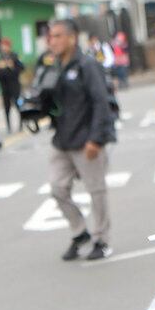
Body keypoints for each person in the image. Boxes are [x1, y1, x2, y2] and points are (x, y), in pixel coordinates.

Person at [37, 19, 115, 261]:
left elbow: (101, 103)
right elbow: (49, 103)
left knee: (96, 191)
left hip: (86, 139)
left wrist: (96, 139)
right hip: (63, 139)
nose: (53, 41)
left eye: (58, 36)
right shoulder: (52, 67)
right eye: (51, 36)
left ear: (72, 38)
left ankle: (101, 239)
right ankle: (80, 231)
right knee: (57, 188)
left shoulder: (87, 65)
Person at [0, 51, 22, 136]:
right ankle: (9, 126)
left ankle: (21, 124)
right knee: (7, 108)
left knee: (19, 106)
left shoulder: (15, 57)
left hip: (15, 88)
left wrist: (11, 67)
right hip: (5, 89)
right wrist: (2, 68)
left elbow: (20, 69)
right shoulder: (1, 59)